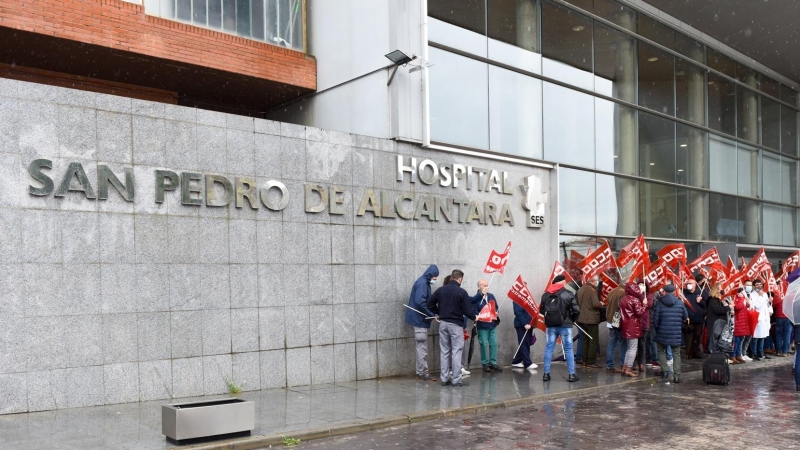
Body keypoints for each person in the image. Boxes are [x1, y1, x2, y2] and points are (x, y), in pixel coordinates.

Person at [427, 269, 476, 387]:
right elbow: (468, 311)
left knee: (444, 351)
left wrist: (438, 312)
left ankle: (444, 379)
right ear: (460, 279)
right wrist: (474, 317)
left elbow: (429, 304)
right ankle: (456, 379)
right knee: (456, 351)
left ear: (451, 278)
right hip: (455, 325)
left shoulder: (440, 290)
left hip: (443, 323)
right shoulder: (461, 292)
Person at [540, 275, 580, 382]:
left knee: (549, 348)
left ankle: (546, 374)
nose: (565, 284)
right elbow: (576, 310)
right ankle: (572, 375)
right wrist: (571, 319)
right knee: (568, 349)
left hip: (551, 326)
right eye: (564, 282)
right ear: (561, 283)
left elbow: (541, 310)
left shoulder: (545, 295)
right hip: (565, 326)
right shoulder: (568, 293)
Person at [405, 264, 439, 381]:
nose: (436, 279)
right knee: (422, 346)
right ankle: (422, 372)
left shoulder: (423, 282)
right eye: (435, 277)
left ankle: (422, 371)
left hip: (419, 319)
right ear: (431, 275)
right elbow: (421, 302)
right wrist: (431, 314)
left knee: (421, 346)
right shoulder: (422, 283)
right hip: (419, 319)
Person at [652, 283, 688, 383]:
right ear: (674, 291)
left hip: (662, 332)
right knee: (676, 354)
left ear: (664, 291)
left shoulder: (659, 302)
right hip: (675, 332)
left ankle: (664, 371)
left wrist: (658, 329)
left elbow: (656, 319)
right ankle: (676, 376)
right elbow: (685, 316)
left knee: (661, 350)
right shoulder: (680, 302)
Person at [472, 279, 502, 373]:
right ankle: (485, 363)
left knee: (493, 343)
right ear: (479, 287)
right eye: (484, 285)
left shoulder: (491, 296)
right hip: (482, 325)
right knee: (484, 344)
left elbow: (495, 307)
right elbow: (474, 311)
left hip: (492, 324)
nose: (486, 287)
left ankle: (493, 362)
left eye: (487, 285)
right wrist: (482, 315)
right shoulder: (476, 298)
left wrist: (496, 312)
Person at [620, 281, 648, 377]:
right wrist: (644, 304)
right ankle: (629, 368)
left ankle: (625, 367)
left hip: (626, 326)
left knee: (629, 348)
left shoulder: (623, 298)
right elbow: (640, 313)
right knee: (633, 349)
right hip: (633, 326)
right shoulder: (634, 300)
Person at [576, 275, 603, 369]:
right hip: (592, 319)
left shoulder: (580, 289)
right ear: (593, 281)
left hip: (582, 318)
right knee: (593, 340)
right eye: (597, 281)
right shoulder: (592, 290)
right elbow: (595, 304)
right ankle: (591, 361)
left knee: (585, 340)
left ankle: (584, 360)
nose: (597, 282)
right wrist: (601, 304)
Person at [682, 276, 707, 359]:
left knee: (697, 336)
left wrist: (701, 302)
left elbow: (706, 305)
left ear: (695, 284)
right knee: (688, 337)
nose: (688, 285)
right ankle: (688, 353)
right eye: (687, 283)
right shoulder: (684, 293)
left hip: (698, 319)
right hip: (687, 319)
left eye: (690, 283)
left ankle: (696, 351)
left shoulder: (700, 293)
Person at [705, 282, 732, 354]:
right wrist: (728, 307)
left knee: (721, 341)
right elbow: (717, 310)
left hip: (723, 323)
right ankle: (714, 356)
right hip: (715, 323)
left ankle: (721, 356)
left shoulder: (724, 299)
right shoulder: (713, 300)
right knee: (715, 341)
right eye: (721, 288)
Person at [605, 284, 627, 373]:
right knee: (623, 343)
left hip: (610, 320)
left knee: (612, 343)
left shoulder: (613, 290)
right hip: (618, 321)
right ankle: (623, 364)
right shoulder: (623, 293)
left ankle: (610, 365)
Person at [511, 298, 538, 370]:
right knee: (524, 343)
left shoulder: (528, 298)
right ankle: (527, 363)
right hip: (522, 325)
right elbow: (518, 312)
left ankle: (516, 361)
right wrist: (525, 323)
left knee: (525, 342)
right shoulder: (517, 299)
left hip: (529, 324)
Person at [749, 279, 772, 361]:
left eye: (760, 284)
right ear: (754, 286)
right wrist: (760, 296)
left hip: (765, 318)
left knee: (762, 336)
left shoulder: (765, 294)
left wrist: (770, 302)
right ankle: (754, 353)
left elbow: (767, 306)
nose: (759, 286)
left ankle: (761, 353)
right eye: (757, 284)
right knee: (756, 337)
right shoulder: (752, 295)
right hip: (758, 318)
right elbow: (757, 305)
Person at [636, 281, 654, 373]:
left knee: (642, 344)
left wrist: (642, 296)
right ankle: (634, 362)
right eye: (640, 285)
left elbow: (649, 305)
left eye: (643, 285)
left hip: (644, 323)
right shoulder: (635, 295)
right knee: (634, 344)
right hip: (635, 322)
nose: (641, 287)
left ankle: (640, 363)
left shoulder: (649, 296)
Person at [732, 287, 751, 364]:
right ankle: (732, 355)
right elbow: (737, 307)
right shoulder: (735, 297)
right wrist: (741, 299)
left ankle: (738, 354)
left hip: (743, 321)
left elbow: (748, 305)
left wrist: (746, 298)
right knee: (736, 340)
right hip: (737, 321)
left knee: (741, 340)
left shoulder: (742, 297)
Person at [774, 290, 792, 357]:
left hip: (779, 317)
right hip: (788, 316)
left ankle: (778, 351)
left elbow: (774, 305)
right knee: (787, 335)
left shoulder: (777, 295)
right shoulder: (791, 295)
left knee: (778, 335)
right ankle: (785, 352)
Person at [742, 280, 755, 360]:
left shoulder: (751, 295)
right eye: (747, 285)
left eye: (750, 285)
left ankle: (744, 352)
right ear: (744, 285)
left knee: (749, 336)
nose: (749, 286)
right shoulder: (742, 294)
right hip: (743, 317)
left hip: (751, 317)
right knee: (743, 337)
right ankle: (740, 353)